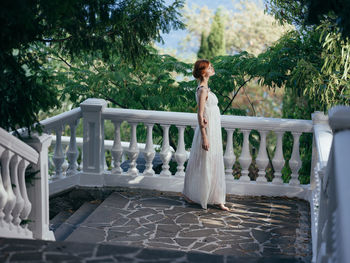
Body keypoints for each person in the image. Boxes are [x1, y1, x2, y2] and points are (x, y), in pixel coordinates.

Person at [182, 59, 229, 211]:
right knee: (204, 162)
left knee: (214, 161)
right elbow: (200, 114)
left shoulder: (206, 88)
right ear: (204, 72)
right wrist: (204, 136)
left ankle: (216, 197)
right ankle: (195, 194)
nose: (212, 69)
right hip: (207, 132)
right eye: (210, 67)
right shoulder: (202, 90)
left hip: (214, 130)